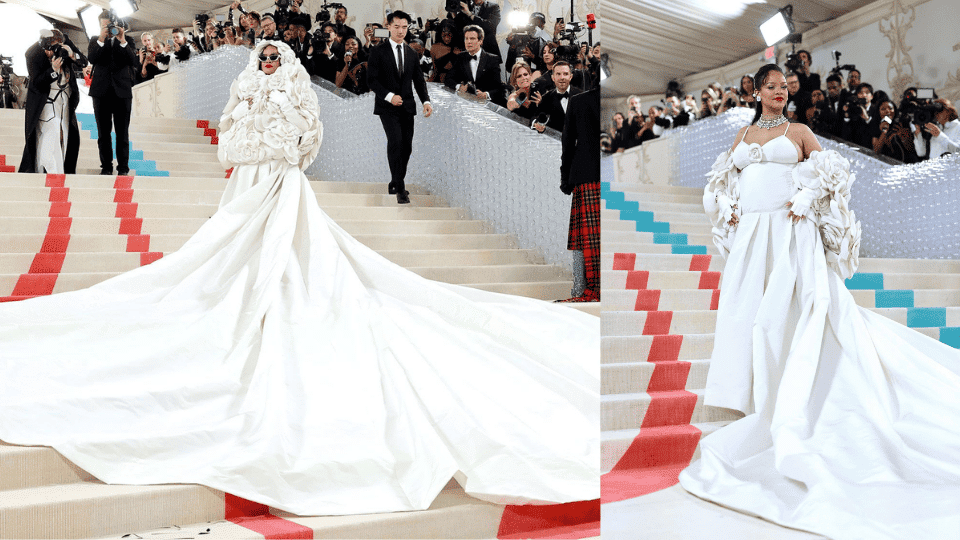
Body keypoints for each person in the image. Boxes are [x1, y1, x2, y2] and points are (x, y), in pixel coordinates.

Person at [0, 39, 598, 519]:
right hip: (246, 183)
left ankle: (289, 291)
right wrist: (253, 131)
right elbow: (229, 138)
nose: (266, 62)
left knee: (296, 256)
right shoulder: (243, 89)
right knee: (225, 259)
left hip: (283, 182)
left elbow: (308, 140)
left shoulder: (295, 91)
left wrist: (279, 130)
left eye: (272, 56)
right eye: (261, 56)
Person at [682, 62, 960, 540]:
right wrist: (726, 205)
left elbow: (836, 174)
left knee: (794, 312)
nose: (779, 92)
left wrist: (809, 197)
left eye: (783, 87)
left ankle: (796, 392)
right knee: (751, 315)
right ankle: (760, 389)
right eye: (770, 86)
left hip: (791, 231)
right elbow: (722, 181)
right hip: (752, 238)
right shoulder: (743, 134)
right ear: (756, 91)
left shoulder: (800, 131)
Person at [366, 10, 433, 204]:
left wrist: (426, 101)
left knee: (407, 146)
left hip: (407, 106)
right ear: (388, 27)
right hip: (387, 106)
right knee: (395, 141)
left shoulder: (411, 52)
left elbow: (419, 80)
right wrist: (389, 97)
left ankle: (395, 180)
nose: (401, 31)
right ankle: (400, 187)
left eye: (404, 27)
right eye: (396, 27)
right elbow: (372, 80)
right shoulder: (378, 51)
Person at [18, 29, 82, 174]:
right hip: (44, 101)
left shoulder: (65, 46)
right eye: (46, 48)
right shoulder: (32, 53)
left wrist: (72, 54)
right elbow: (37, 83)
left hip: (65, 101)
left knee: (64, 135)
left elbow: (83, 61)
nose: (49, 52)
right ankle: (49, 169)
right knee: (50, 132)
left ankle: (58, 170)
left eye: (52, 48)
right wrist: (53, 70)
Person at [557, 88, 599, 303]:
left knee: (587, 239)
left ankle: (584, 289)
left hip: (586, 174)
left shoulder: (578, 101)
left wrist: (565, 178)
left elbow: (568, 143)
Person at [88, 10, 138, 176]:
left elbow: (133, 60)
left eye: (110, 25)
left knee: (122, 133)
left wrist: (122, 40)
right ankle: (106, 167)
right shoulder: (95, 40)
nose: (108, 28)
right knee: (103, 133)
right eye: (104, 26)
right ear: (100, 26)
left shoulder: (127, 40)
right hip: (100, 92)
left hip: (122, 92)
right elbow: (92, 58)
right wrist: (102, 39)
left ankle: (123, 168)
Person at [444, 25, 504, 105]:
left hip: (486, 105)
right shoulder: (460, 57)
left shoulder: (492, 59)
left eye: (472, 38)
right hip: (465, 103)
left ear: (480, 41)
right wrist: (459, 87)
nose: (468, 42)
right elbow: (448, 79)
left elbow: (499, 88)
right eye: (466, 38)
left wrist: (486, 95)